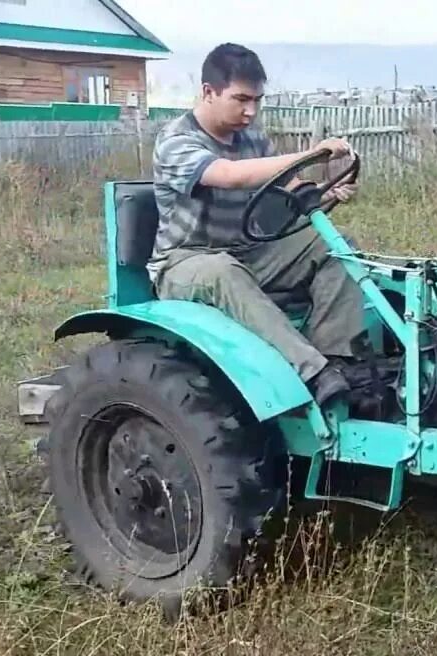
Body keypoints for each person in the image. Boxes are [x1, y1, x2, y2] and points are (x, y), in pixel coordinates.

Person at [148, 42, 363, 405]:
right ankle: (311, 371)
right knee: (222, 271)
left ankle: (338, 360)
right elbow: (229, 175)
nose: (250, 111)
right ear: (208, 92)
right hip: (184, 262)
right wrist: (314, 153)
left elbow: (291, 190)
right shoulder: (176, 142)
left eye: (257, 101)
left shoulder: (252, 139)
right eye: (241, 99)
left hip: (248, 252)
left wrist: (324, 194)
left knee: (337, 246)